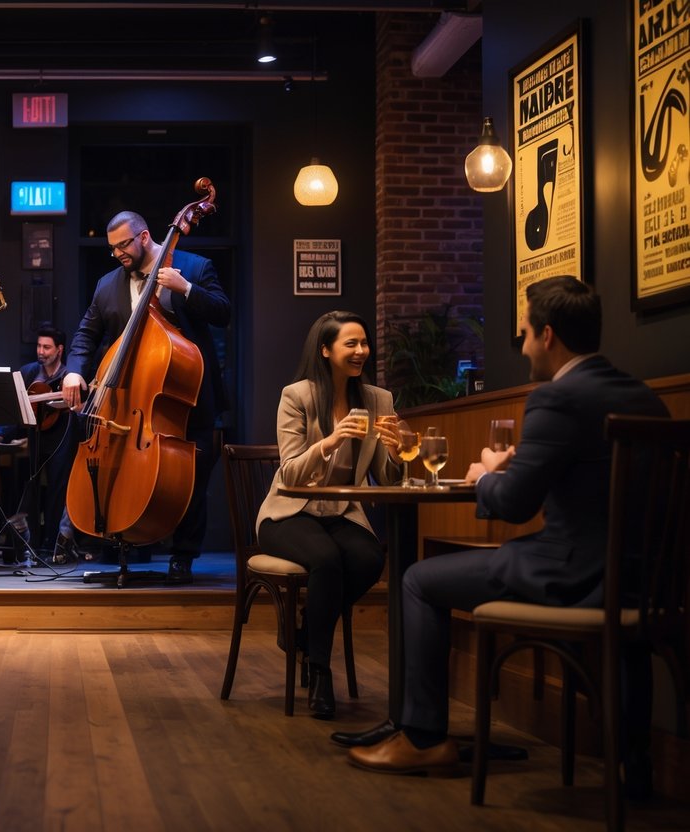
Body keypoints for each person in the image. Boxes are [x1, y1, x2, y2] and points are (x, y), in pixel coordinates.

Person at [346, 276, 668, 780]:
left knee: (418, 579)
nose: (521, 345)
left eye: (523, 333)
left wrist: (488, 474)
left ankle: (424, 738)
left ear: (548, 336)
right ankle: (635, 760)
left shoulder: (557, 399)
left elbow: (516, 505)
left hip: (574, 574)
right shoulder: (645, 398)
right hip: (647, 582)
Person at [61, 210, 231, 583]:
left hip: (186, 396)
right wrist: (74, 369)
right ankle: (122, 541)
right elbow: (86, 333)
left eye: (123, 244)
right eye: (112, 248)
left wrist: (187, 289)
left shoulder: (194, 266)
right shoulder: (107, 284)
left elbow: (223, 312)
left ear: (143, 237)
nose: (118, 253)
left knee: (190, 481)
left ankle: (183, 556)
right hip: (130, 399)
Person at [256, 311, 404, 719]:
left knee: (370, 559)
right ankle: (320, 671)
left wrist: (394, 450)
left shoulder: (379, 400)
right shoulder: (297, 396)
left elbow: (388, 480)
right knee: (326, 560)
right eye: (351, 344)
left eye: (364, 343)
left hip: (343, 512)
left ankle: (304, 636)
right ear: (326, 350)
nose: (362, 352)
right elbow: (288, 474)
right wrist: (331, 441)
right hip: (289, 512)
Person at [0, 323, 78, 560]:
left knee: (56, 493)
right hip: (35, 438)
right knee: (29, 492)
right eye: (39, 346)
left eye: (47, 347)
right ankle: (25, 546)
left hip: (60, 438)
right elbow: (17, 410)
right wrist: (1, 434)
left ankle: (52, 546)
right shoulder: (29, 372)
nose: (41, 351)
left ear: (59, 349)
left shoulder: (69, 375)